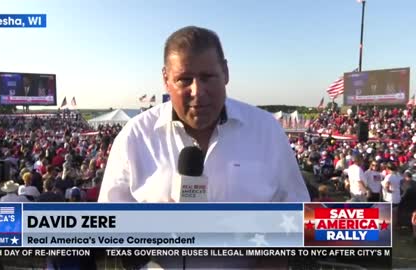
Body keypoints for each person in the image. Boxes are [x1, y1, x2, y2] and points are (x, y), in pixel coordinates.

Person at [98, 25, 309, 269]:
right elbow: (108, 227)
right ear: (166, 80)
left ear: (226, 72)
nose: (197, 91)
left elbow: (299, 217)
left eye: (208, 77)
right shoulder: (134, 137)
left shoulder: (267, 131)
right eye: (184, 80)